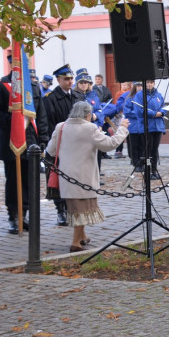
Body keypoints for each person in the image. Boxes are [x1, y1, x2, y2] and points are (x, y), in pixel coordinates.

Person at [46, 101, 129, 252]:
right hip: (84, 178)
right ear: (87, 115)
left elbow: (51, 151)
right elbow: (110, 144)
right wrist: (122, 128)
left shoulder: (61, 126)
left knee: (76, 208)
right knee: (81, 212)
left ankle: (82, 236)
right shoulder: (89, 128)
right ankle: (76, 243)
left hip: (65, 177)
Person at [0, 58, 49, 234]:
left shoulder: (33, 87)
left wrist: (43, 138)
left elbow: (41, 115)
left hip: (32, 143)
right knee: (14, 182)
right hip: (11, 143)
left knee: (30, 181)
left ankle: (26, 214)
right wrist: (13, 121)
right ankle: (14, 216)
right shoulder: (2, 86)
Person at [42, 64, 82, 226]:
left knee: (74, 178)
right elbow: (47, 122)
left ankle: (73, 208)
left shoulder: (77, 97)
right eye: (66, 79)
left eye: (71, 78)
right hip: (59, 145)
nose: (70, 82)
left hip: (76, 145)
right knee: (57, 179)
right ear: (58, 80)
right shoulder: (50, 98)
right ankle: (61, 210)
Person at [128, 80, 167, 180]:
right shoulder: (139, 95)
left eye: (151, 82)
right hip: (146, 127)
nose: (149, 84)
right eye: (148, 82)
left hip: (157, 126)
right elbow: (139, 110)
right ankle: (148, 171)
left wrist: (162, 113)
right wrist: (154, 114)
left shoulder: (158, 95)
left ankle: (154, 170)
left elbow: (163, 107)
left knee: (154, 150)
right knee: (147, 151)